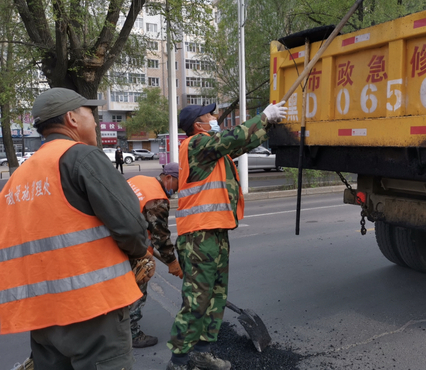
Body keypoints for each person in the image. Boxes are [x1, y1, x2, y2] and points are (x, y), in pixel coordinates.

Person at [0, 88, 154, 370]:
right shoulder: (81, 158)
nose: (95, 121)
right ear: (71, 118)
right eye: (90, 114)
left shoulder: (20, 176)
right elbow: (131, 227)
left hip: (44, 318)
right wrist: (140, 252)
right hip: (93, 309)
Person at [166, 101, 287, 370]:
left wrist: (267, 124)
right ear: (198, 124)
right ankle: (178, 362)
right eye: (210, 114)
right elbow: (231, 139)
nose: (215, 117)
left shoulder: (213, 151)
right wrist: (262, 116)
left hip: (215, 233)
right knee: (197, 301)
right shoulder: (197, 145)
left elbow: (239, 144)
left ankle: (202, 352)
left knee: (216, 297)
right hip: (198, 237)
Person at [126, 162, 184, 348]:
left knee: (121, 289)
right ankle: (131, 334)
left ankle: (115, 328)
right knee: (137, 290)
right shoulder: (157, 200)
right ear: (168, 178)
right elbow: (160, 236)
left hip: (117, 241)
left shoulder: (140, 180)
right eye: (178, 185)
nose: (177, 191)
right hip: (134, 250)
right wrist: (173, 262)